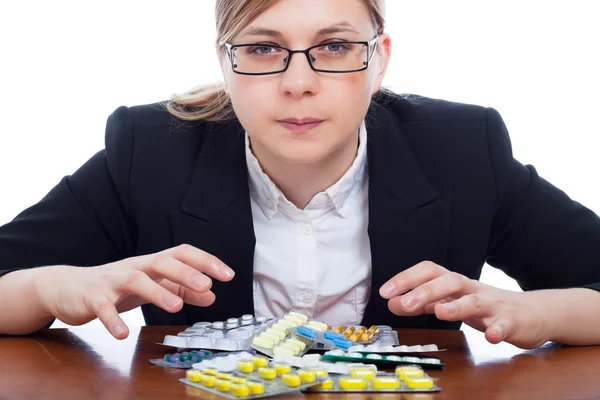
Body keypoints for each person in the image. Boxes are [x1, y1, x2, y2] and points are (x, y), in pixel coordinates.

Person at [1, 0, 599, 350]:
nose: (298, 82)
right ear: (224, 62)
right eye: (263, 49)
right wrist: (43, 289)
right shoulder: (147, 150)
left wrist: (538, 312)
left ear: (380, 58)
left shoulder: (463, 148)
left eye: (335, 46)